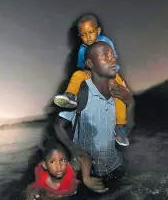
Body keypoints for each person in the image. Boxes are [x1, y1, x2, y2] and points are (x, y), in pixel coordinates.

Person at [54, 41, 135, 188]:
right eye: (105, 55)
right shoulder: (82, 91)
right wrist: (74, 149)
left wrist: (131, 103)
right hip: (88, 174)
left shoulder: (120, 92)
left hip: (116, 167)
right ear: (90, 64)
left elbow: (128, 128)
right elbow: (58, 126)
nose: (112, 59)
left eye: (112, 55)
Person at [53, 14, 131, 146]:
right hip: (91, 72)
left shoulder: (106, 42)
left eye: (91, 32)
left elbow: (113, 60)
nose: (88, 37)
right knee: (77, 74)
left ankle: (120, 127)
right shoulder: (82, 49)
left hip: (110, 72)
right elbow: (82, 66)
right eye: (83, 34)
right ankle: (69, 96)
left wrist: (112, 77)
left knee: (118, 93)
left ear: (98, 31)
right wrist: (86, 74)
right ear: (79, 36)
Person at [25, 137, 108, 200]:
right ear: (45, 165)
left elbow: (84, 157)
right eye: (52, 162)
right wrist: (29, 193)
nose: (59, 166)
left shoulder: (70, 170)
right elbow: (31, 187)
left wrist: (86, 178)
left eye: (62, 160)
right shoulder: (42, 178)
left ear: (68, 161)